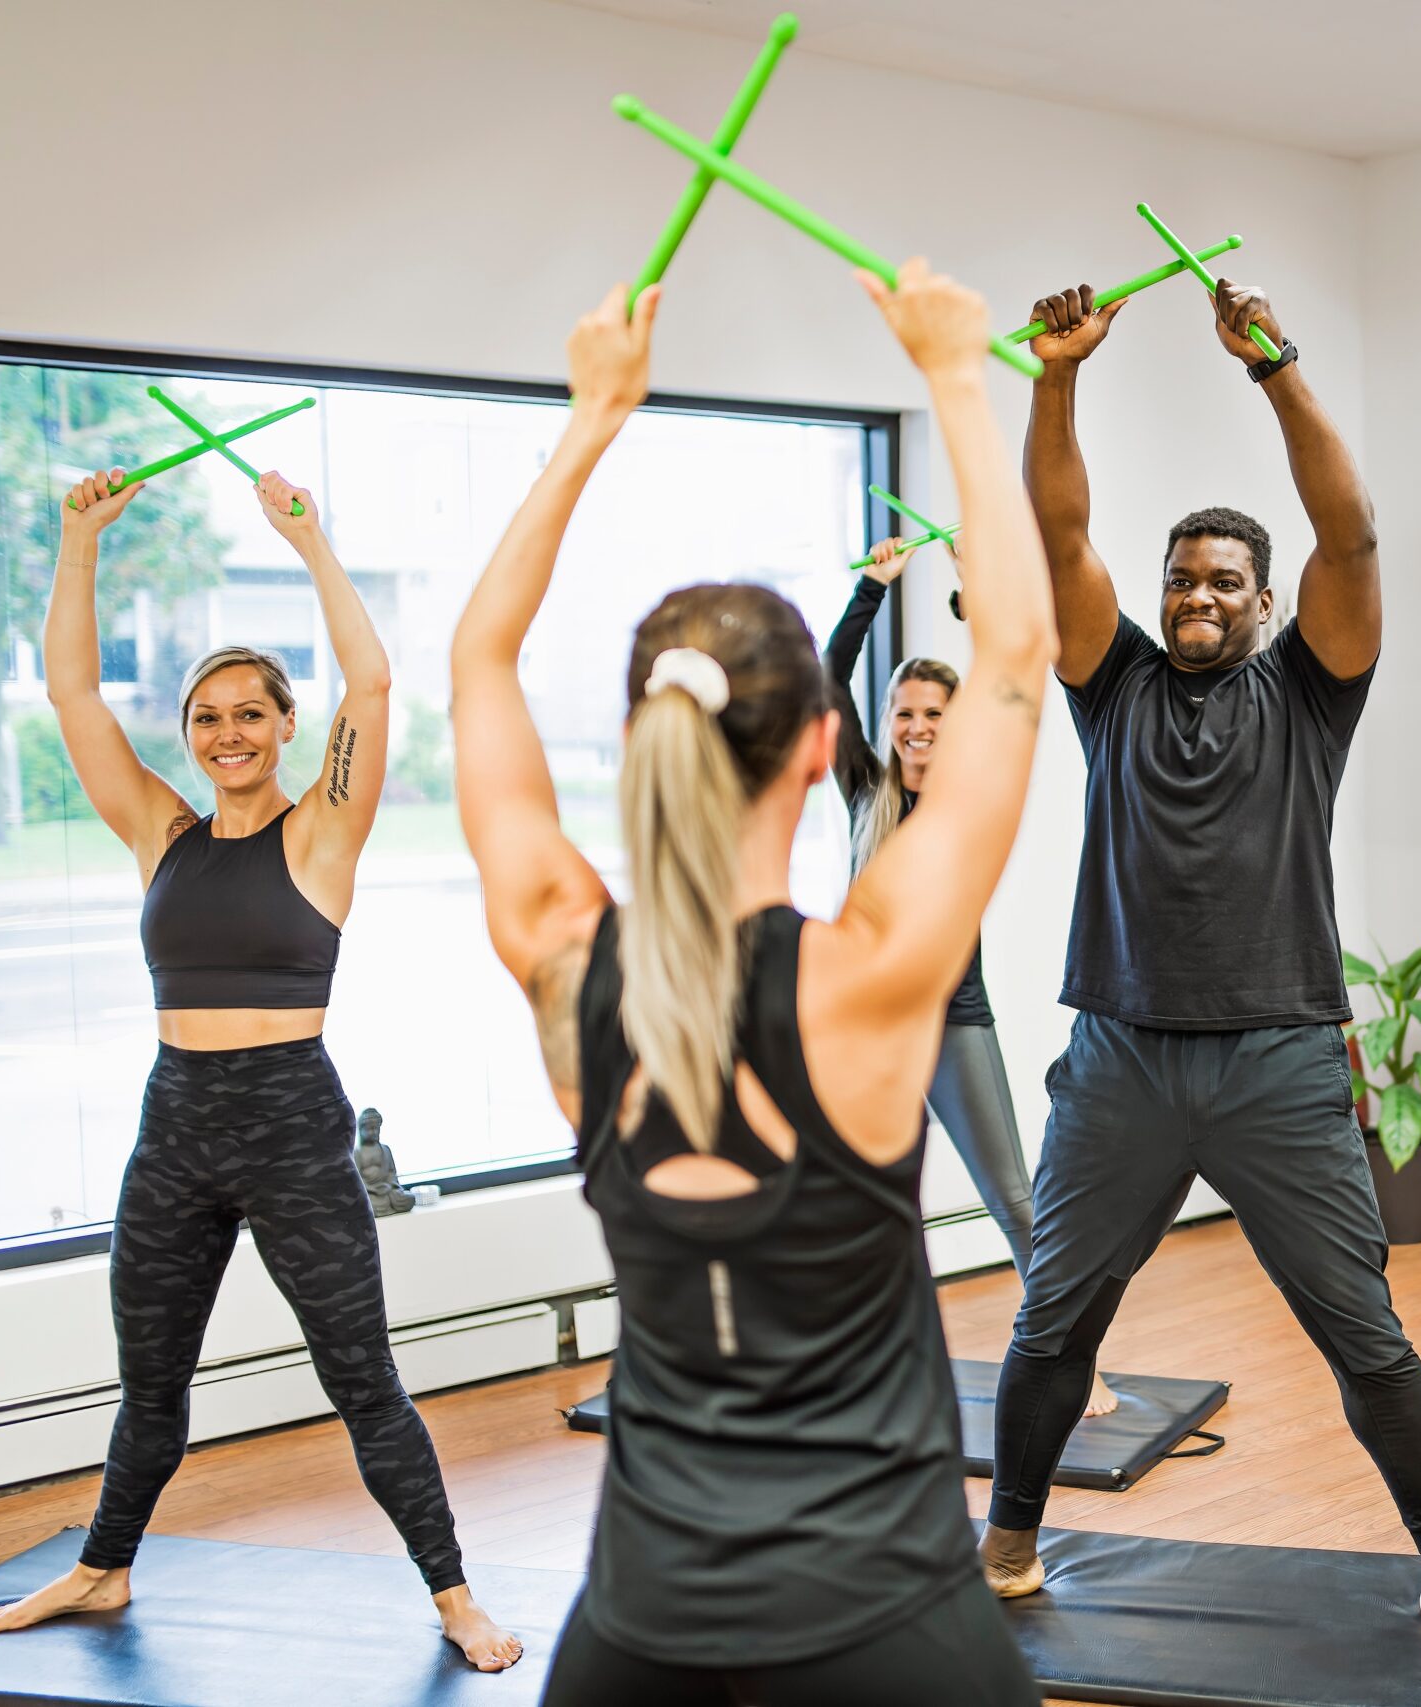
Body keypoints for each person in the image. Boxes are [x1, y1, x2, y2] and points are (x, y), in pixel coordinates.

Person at [451, 265, 1050, 1706]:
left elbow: (477, 656)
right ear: (819, 747)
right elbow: (1017, 657)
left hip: (643, 1635)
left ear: (641, 731)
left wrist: (593, 414)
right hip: (892, 1630)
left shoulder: (562, 954)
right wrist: (957, 373)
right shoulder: (873, 974)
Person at [976, 275, 1421, 1678]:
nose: (1199, 595)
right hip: (1122, 1057)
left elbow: (1353, 527)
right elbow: (1059, 527)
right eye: (1184, 578)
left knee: (1367, 1336)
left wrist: (1273, 366)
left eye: (1227, 579)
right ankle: (1007, 1543)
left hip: (1278, 1057)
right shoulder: (1114, 682)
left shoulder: (1311, 685)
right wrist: (1057, 376)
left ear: (1269, 601)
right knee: (1051, 1324)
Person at [0, 467, 520, 1670]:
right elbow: (70, 692)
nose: (227, 734)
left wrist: (308, 539)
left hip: (287, 1125)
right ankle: (104, 1569)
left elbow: (370, 684)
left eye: (251, 715)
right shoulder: (159, 833)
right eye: (207, 717)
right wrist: (77, 543)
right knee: (149, 1384)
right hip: (174, 1127)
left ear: (284, 728)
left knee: (362, 1379)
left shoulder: (321, 831)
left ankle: (454, 1596)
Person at [824, 537, 1120, 1414]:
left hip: (951, 1022)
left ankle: (1074, 1360)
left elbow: (1008, 686)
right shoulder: (863, 790)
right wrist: (870, 593)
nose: (918, 726)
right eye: (905, 712)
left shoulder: (970, 794)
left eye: (934, 714)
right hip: (871, 1030)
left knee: (1016, 1200)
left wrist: (972, 580)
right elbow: (822, 683)